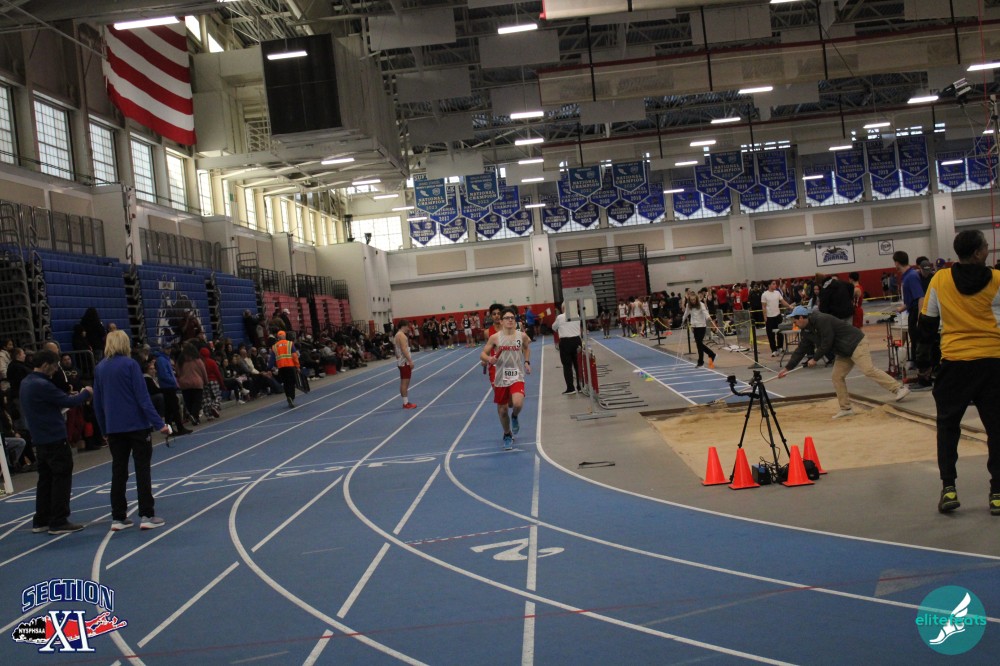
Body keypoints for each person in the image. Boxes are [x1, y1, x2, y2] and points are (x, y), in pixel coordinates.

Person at [918, 229, 1000, 514]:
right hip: (993, 363)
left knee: (948, 427)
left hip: (954, 363)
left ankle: (949, 488)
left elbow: (926, 325)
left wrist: (926, 363)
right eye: (986, 246)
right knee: (997, 429)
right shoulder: (998, 280)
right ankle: (997, 493)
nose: (988, 249)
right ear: (977, 253)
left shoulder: (940, 279)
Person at [93, 330, 171, 531]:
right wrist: (159, 424)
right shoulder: (130, 365)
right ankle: (146, 514)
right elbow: (142, 397)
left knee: (118, 471)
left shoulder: (100, 368)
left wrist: (103, 429)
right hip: (136, 426)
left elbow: (98, 403)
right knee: (142, 469)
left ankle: (118, 517)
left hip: (113, 428)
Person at [777, 305, 910, 418]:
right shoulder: (806, 331)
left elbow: (827, 341)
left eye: (794, 319)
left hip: (856, 343)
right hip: (843, 351)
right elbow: (801, 349)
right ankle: (846, 408)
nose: (794, 323)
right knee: (837, 377)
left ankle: (899, 388)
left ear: (801, 317)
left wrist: (815, 358)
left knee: (868, 370)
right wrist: (788, 368)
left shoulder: (822, 320)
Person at [19, 349, 93, 534]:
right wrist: (86, 393)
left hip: (40, 439)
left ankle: (41, 519)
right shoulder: (42, 384)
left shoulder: (26, 382)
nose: (56, 370)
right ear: (45, 365)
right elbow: (68, 401)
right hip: (54, 438)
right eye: (54, 366)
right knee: (61, 477)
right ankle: (58, 520)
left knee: (45, 479)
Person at [481, 306, 531, 451]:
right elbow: (482, 354)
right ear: (501, 321)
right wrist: (489, 359)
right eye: (507, 318)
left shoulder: (522, 336)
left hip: (517, 375)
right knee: (503, 410)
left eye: (512, 318)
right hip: (501, 377)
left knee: (517, 403)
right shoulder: (495, 337)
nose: (510, 320)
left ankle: (514, 416)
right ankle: (507, 434)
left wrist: (527, 362)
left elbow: (526, 347)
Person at [551, 302, 582, 394]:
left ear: (563, 308)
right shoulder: (577, 315)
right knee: (578, 365)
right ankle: (580, 386)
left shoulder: (560, 317)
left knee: (567, 365)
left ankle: (570, 388)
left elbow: (553, 327)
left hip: (566, 342)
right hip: (577, 341)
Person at [681, 291, 717, 369]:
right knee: (698, 344)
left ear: (696, 299)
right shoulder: (688, 305)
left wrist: (709, 318)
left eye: (694, 299)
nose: (693, 301)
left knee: (699, 344)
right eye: (691, 300)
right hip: (694, 326)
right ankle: (711, 354)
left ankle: (700, 362)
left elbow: (705, 312)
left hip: (701, 326)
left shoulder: (701, 304)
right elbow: (686, 313)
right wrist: (683, 320)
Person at [176, 342, 208, 424]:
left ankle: (193, 417)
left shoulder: (180, 362)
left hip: (184, 384)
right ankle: (194, 416)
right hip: (197, 383)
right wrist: (206, 381)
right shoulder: (198, 361)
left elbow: (178, 372)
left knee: (188, 402)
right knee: (197, 401)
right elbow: (203, 372)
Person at [269, 330, 300, 408]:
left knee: (286, 383)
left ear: (278, 337)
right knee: (291, 383)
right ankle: (291, 397)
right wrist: (297, 366)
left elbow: (271, 359)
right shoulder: (290, 343)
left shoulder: (274, 346)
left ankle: (288, 396)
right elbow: (294, 356)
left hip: (281, 368)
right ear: (284, 336)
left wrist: (268, 368)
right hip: (290, 366)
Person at [761, 280, 791, 356]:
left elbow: (783, 301)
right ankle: (774, 350)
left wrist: (789, 306)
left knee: (780, 333)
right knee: (770, 335)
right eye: (773, 284)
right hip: (769, 317)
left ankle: (780, 347)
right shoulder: (764, 294)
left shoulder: (777, 293)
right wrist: (765, 317)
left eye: (775, 284)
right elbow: (763, 307)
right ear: (769, 285)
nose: (775, 285)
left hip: (778, 316)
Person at [394, 320, 417, 409]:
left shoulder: (397, 335)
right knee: (405, 382)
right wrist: (410, 361)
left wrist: (398, 357)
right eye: (408, 326)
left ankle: (405, 402)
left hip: (401, 361)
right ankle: (405, 403)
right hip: (404, 362)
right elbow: (404, 349)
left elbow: (396, 349)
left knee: (404, 382)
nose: (409, 328)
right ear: (403, 326)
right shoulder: (402, 335)